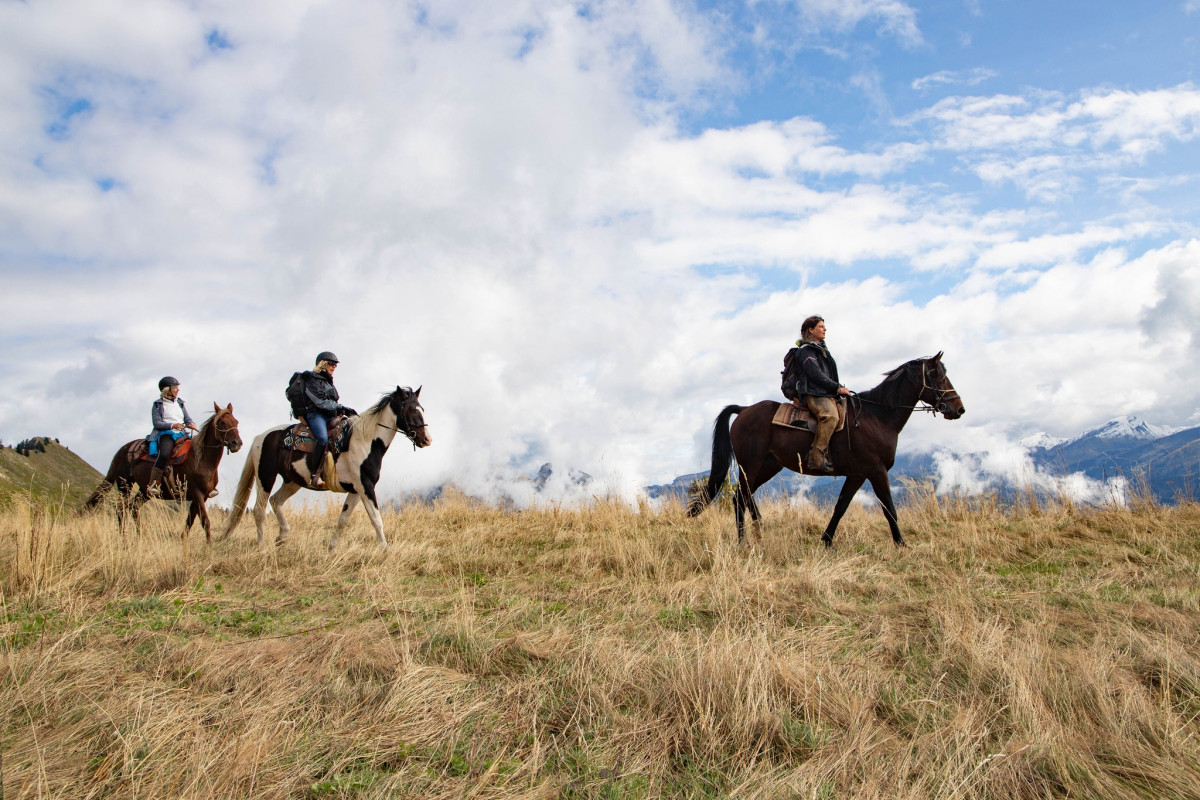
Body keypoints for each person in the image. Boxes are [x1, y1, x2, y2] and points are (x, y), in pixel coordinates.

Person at [781, 316, 851, 474]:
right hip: (813, 394)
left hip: (826, 393)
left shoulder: (821, 351)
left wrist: (836, 389)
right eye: (821, 326)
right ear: (810, 330)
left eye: (824, 326)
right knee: (830, 416)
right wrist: (837, 388)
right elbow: (815, 374)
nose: (825, 329)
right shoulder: (806, 351)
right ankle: (816, 458)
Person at [293, 351, 356, 489]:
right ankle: (314, 475)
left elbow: (332, 401)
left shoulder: (329, 381)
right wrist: (340, 406)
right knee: (322, 438)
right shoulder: (312, 379)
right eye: (332, 364)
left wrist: (342, 410)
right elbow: (320, 402)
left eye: (335, 365)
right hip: (316, 415)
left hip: (330, 415)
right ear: (323, 364)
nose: (334, 367)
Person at [146, 376, 197, 497]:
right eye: (175, 388)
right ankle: (153, 484)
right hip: (166, 433)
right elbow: (157, 423)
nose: (177, 390)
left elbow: (187, 418)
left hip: (182, 434)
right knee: (164, 454)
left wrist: (191, 423)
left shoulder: (180, 403)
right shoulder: (158, 405)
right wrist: (172, 425)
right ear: (167, 390)